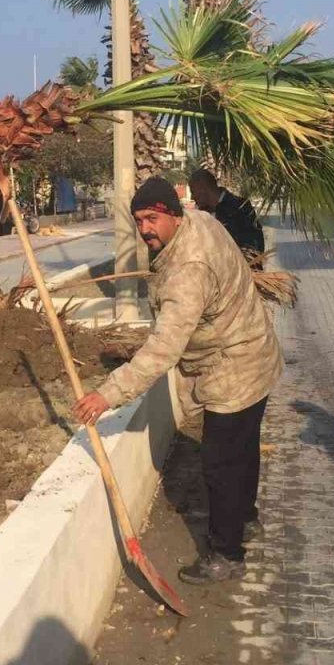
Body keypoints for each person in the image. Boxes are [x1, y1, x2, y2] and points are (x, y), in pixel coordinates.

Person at [74, 177, 283, 585]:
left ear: (172, 213)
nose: (145, 228)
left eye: (152, 218)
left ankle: (226, 553)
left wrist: (107, 394)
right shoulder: (200, 220)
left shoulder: (189, 268)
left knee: (220, 462)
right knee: (242, 450)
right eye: (139, 221)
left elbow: (164, 348)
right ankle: (244, 518)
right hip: (254, 352)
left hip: (234, 367)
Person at [188, 169, 264, 253]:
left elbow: (256, 246)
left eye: (192, 191)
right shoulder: (200, 215)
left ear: (202, 187)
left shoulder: (240, 207)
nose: (192, 197)